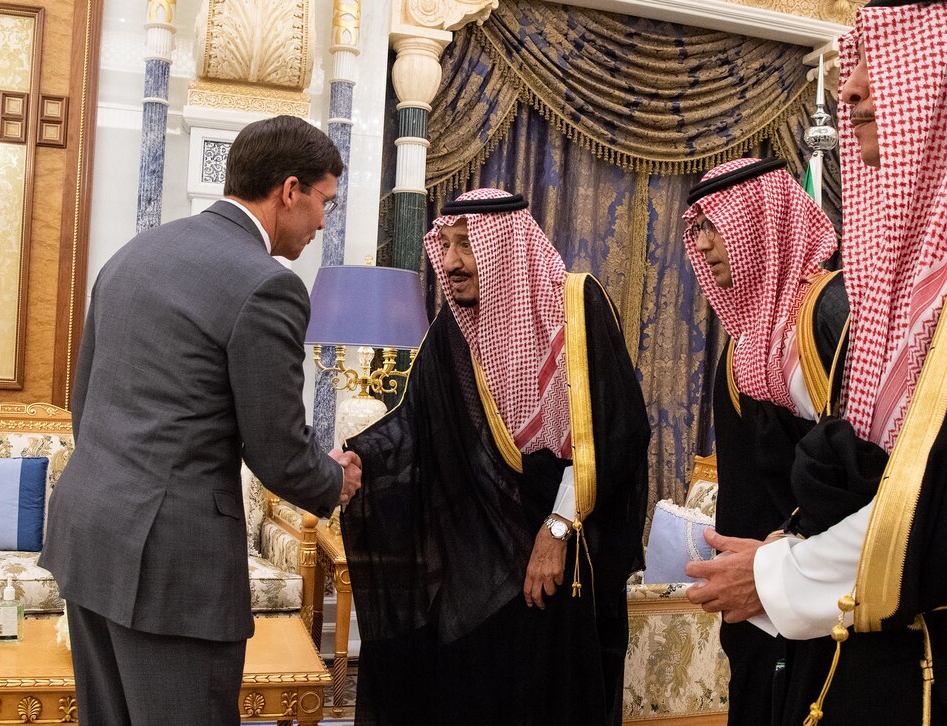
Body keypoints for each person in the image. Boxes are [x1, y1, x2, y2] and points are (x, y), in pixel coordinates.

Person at [39, 115, 362, 726]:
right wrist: (332, 479)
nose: (324, 221)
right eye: (324, 202)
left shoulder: (134, 252)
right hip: (172, 562)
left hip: (89, 533)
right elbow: (277, 450)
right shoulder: (270, 285)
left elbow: (85, 403)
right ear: (289, 190)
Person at [686, 1, 947, 722]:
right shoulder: (905, 296)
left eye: (880, 66)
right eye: (852, 69)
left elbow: (921, 503)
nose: (851, 90)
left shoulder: (829, 310)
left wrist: (779, 572)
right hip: (832, 610)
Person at [341, 188, 650, 725]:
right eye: (447, 245)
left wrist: (557, 529)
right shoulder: (452, 332)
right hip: (479, 554)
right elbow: (415, 424)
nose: (453, 263)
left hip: (561, 546)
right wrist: (359, 460)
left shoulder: (576, 307)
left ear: (504, 247)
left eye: (468, 246)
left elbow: (614, 434)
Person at [681, 156, 845, 725]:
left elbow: (859, 475)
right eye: (696, 227)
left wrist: (784, 561)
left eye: (714, 225)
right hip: (754, 608)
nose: (701, 244)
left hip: (822, 597)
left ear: (760, 222)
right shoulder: (749, 345)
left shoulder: (828, 316)